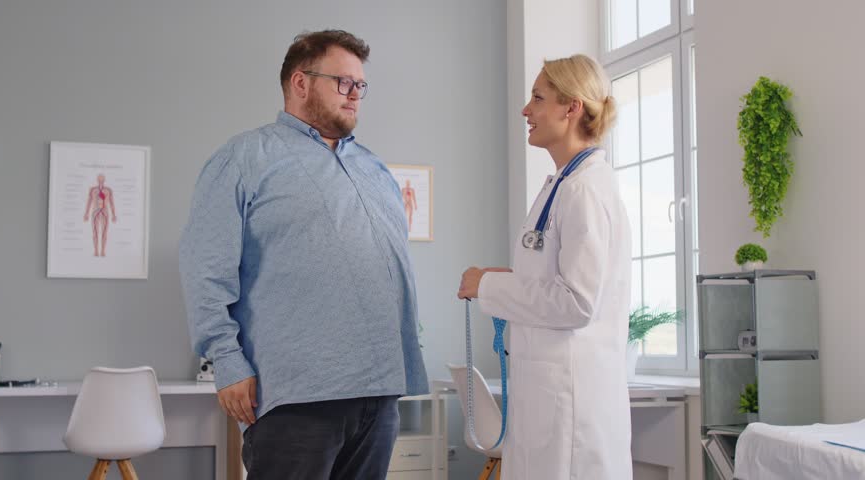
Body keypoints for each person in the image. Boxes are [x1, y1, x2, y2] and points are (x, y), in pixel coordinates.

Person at [179, 30, 428, 480]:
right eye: (343, 82)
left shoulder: (375, 169)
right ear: (300, 82)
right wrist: (227, 361)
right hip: (297, 397)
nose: (355, 95)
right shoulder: (243, 158)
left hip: (380, 392)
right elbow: (205, 270)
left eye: (360, 85)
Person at [457, 54, 632, 479]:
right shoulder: (563, 185)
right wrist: (500, 281)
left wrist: (489, 287)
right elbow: (554, 282)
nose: (525, 110)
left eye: (538, 98)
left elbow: (575, 302)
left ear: (571, 108)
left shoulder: (584, 191)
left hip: (571, 407)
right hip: (549, 398)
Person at [83, 173, 116, 257]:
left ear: (104, 180)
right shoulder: (93, 190)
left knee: (104, 232)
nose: (100, 180)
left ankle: (103, 251)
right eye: (99, 179)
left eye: (102, 179)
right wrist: (86, 213)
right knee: (95, 232)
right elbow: (89, 201)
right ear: (97, 180)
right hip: (95, 211)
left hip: (105, 211)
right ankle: (96, 251)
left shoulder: (108, 190)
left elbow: (111, 202)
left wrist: (113, 214)